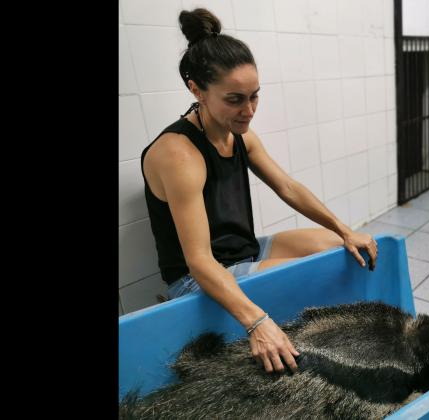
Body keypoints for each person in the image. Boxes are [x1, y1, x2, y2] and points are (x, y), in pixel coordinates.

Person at [140, 8, 378, 376]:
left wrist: (344, 229)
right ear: (196, 90)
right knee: (310, 275)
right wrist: (256, 323)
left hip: (243, 251)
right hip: (197, 278)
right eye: (234, 99)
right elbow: (200, 262)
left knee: (340, 251)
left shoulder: (239, 134)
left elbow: (287, 187)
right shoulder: (179, 154)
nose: (248, 110)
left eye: (255, 96)